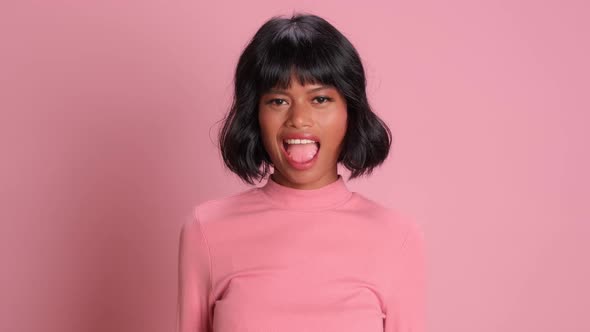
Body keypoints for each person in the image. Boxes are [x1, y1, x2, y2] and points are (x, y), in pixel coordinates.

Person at [176, 12, 425, 332]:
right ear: (256, 114)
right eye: (278, 101)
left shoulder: (398, 237)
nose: (299, 119)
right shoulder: (206, 230)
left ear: (350, 111)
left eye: (320, 99)